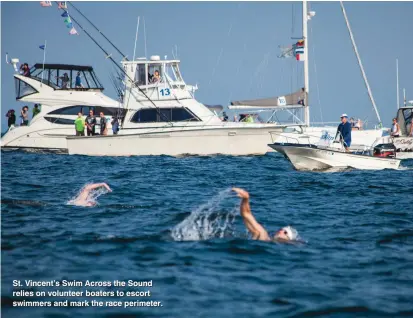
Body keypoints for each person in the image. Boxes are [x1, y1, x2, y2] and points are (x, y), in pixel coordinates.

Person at [232, 188, 298, 242]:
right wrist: (245, 199)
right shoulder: (264, 236)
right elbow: (246, 214)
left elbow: (246, 214)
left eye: (285, 232)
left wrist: (246, 198)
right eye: (281, 229)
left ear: (288, 239)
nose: (280, 231)